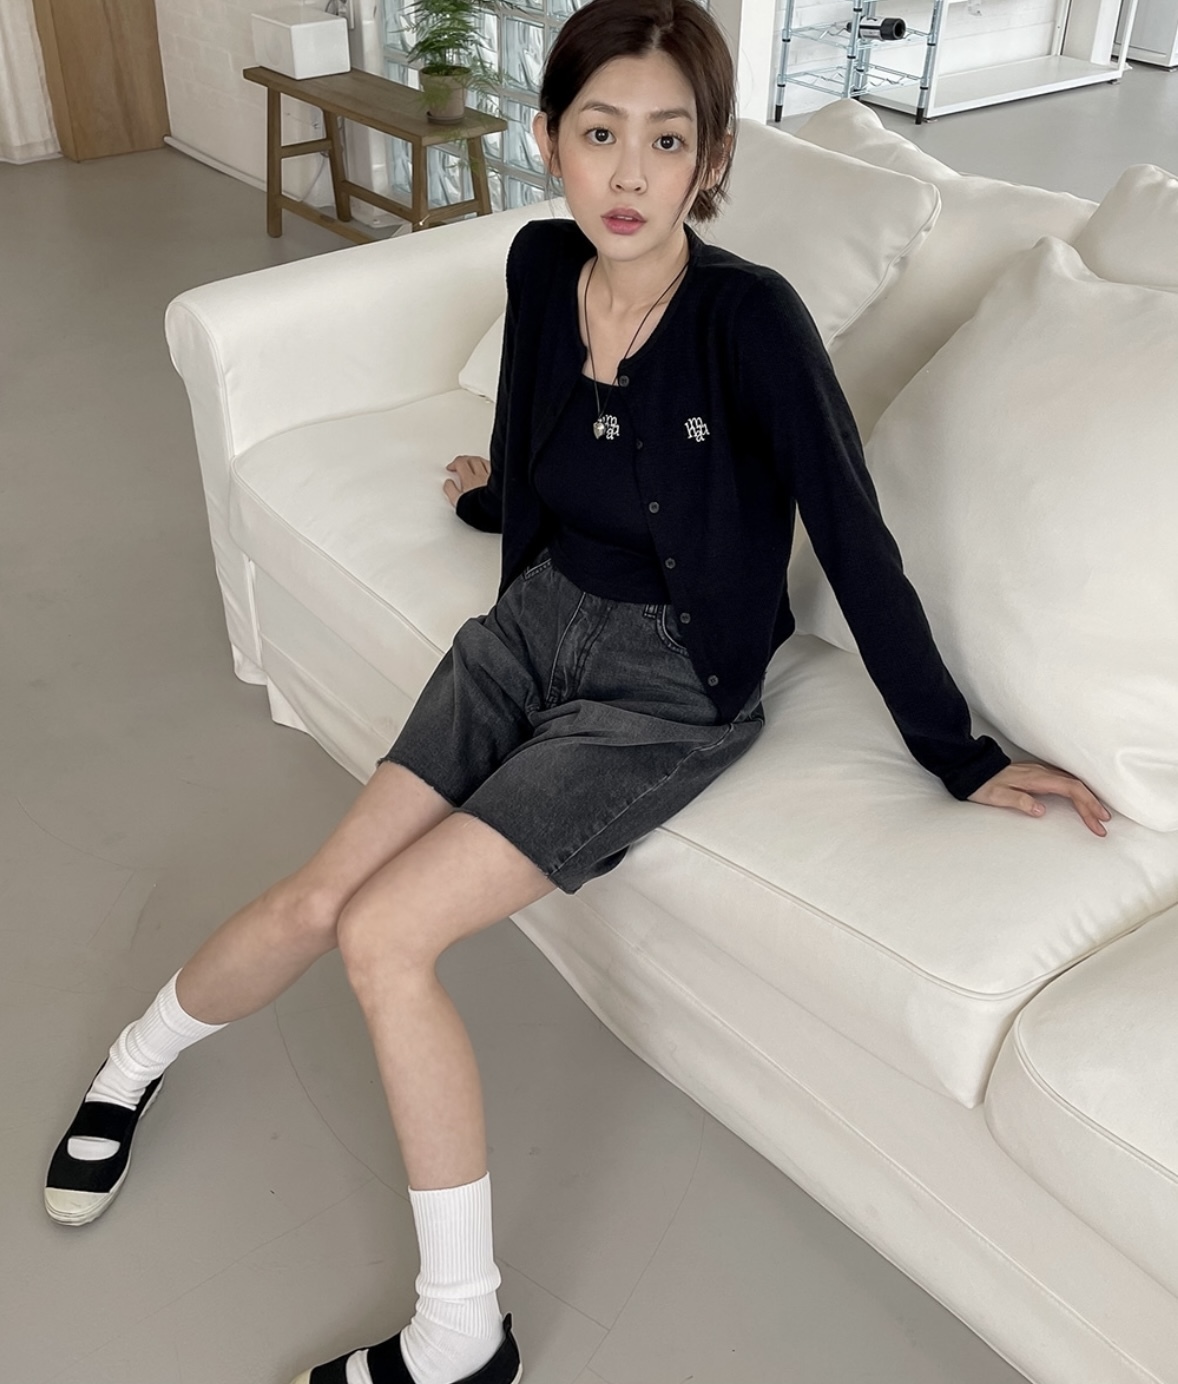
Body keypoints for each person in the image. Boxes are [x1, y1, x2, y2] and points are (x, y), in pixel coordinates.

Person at [44, 1, 1113, 1381]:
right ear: (549, 139)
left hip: (666, 690)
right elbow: (536, 439)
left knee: (384, 935)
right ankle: (130, 1065)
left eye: (666, 141)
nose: (628, 173)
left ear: (709, 163)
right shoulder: (543, 264)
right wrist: (497, 502)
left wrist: (957, 753)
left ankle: (460, 1337)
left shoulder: (751, 321)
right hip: (530, 632)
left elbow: (852, 535)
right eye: (600, 132)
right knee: (320, 896)